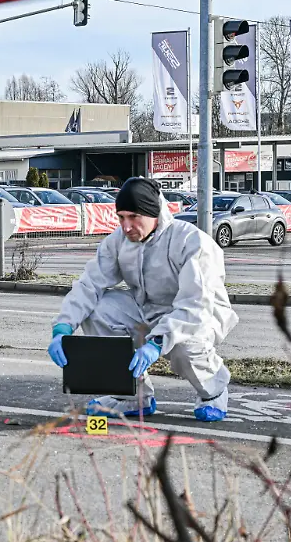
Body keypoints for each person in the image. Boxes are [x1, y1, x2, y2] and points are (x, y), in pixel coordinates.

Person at [48, 177, 238, 422]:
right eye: (121, 217)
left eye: (134, 216)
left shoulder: (191, 242)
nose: (126, 226)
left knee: (185, 346)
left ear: (154, 212)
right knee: (98, 311)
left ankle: (213, 390)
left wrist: (157, 343)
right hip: (147, 309)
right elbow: (89, 284)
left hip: (199, 314)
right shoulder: (119, 241)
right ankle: (132, 394)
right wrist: (62, 327)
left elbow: (195, 303)